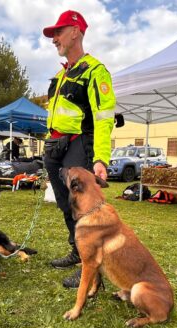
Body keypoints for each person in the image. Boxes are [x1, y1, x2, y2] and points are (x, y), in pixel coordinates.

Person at [42, 10, 116, 288]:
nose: (54, 39)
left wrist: (100, 159)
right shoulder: (62, 75)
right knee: (66, 204)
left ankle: (93, 267)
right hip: (56, 148)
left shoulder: (95, 71)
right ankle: (78, 251)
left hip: (79, 145)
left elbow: (104, 119)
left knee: (86, 208)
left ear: (75, 31)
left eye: (58, 32)